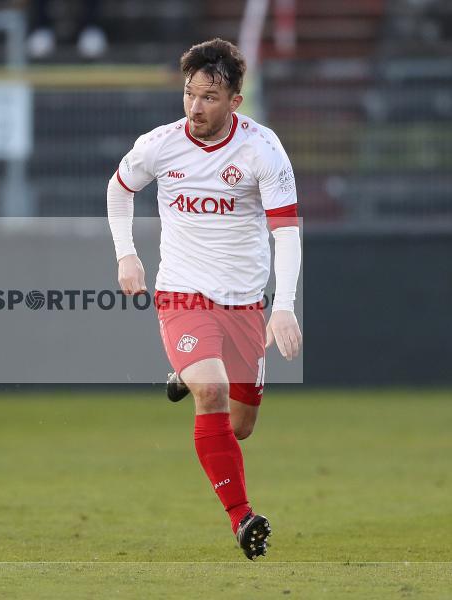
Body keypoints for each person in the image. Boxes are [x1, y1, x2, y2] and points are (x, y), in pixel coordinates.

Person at [106, 38, 302, 560]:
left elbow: (286, 232)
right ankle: (242, 518)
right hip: (182, 294)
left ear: (235, 101)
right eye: (190, 94)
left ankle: (185, 373)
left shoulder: (263, 150)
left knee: (240, 426)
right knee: (211, 392)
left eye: (209, 97)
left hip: (244, 303)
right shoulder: (160, 144)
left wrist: (283, 306)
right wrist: (127, 255)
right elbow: (120, 188)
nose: (195, 107)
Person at [27, 0, 107, 60]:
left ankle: (91, 28)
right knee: (39, 47)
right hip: (45, 26)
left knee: (91, 46)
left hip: (87, 26)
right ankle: (42, 29)